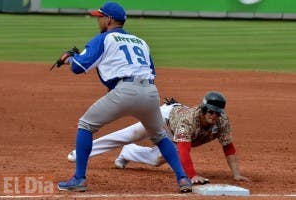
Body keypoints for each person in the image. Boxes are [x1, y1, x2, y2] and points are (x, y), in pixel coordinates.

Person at [56, 2, 192, 193]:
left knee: (85, 125)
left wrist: (68, 58)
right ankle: (183, 179)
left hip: (125, 92)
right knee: (160, 136)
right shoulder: (141, 42)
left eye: (100, 17)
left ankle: (79, 179)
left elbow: (78, 67)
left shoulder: (104, 38)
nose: (98, 20)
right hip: (150, 92)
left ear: (109, 20)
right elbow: (150, 71)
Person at [67, 91, 249, 184]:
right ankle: (79, 154)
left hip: (174, 131)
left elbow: (228, 147)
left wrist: (237, 174)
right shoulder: (190, 120)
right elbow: (184, 150)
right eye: (210, 111)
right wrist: (191, 176)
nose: (213, 116)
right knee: (131, 134)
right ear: (203, 109)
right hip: (164, 117)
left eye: (217, 113)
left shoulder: (222, 121)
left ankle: (128, 153)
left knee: (156, 159)